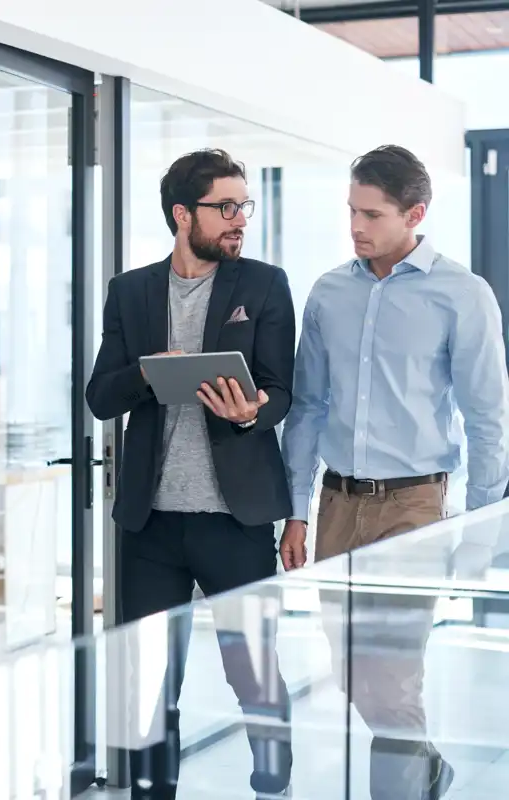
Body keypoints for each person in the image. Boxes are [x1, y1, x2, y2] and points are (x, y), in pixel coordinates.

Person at [281, 144, 509, 800]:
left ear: (416, 214)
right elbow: (308, 406)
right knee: (351, 673)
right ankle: (427, 767)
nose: (356, 226)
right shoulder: (328, 292)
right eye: (352, 210)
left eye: (372, 215)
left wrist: (477, 530)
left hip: (414, 508)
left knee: (394, 676)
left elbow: (488, 416)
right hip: (337, 504)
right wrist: (297, 509)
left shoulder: (462, 294)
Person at [86, 148, 295, 799]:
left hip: (236, 520)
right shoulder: (131, 291)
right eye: (225, 207)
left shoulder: (263, 284)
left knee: (254, 673)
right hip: (151, 526)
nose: (239, 220)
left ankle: (272, 786)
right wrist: (150, 373)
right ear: (183, 214)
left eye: (244, 206)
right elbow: (100, 397)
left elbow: (281, 390)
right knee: (148, 683)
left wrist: (252, 411)